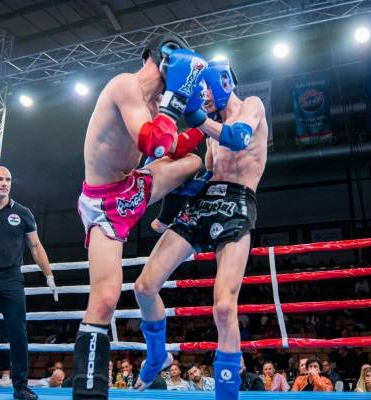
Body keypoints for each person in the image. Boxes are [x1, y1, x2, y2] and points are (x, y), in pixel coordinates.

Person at [72, 32, 208, 399]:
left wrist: (204, 123)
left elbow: (174, 146)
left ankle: (168, 218)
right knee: (105, 298)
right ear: (163, 57)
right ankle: (88, 393)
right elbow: (154, 143)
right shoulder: (126, 85)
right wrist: (175, 104)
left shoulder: (155, 105)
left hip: (133, 187)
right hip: (103, 203)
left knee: (194, 162)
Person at [134, 57, 268, 400]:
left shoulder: (251, 106)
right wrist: (171, 201)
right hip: (203, 205)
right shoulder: (210, 131)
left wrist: (198, 118)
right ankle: (156, 356)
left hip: (238, 205)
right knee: (144, 287)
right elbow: (207, 175)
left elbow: (238, 138)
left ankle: (226, 396)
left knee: (223, 307)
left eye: (204, 89)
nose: (201, 97)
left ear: (222, 82)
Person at [0, 166, 58, 400]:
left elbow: (35, 246)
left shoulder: (23, 213)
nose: (4, 183)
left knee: (18, 333)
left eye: (8, 179)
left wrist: (49, 275)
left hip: (11, 278)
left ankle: (20, 387)